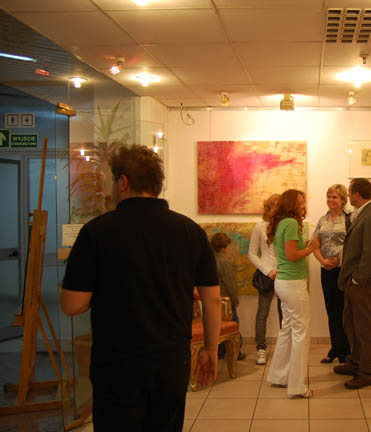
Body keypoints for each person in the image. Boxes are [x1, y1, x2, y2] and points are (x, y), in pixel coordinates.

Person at [60, 145, 221, 432]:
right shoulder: (191, 232)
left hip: (117, 364)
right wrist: (210, 348)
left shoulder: (96, 232)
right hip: (171, 361)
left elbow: (72, 304)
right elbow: (212, 300)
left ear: (123, 182)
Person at [265, 189, 319, 398]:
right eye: (300, 202)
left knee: (287, 329)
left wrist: (307, 246)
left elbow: (290, 252)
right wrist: (312, 248)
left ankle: (280, 376)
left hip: (285, 284)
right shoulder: (290, 223)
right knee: (300, 333)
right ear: (291, 205)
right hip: (293, 285)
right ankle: (297, 386)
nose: (304, 206)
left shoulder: (282, 223)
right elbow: (292, 255)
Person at [334, 178, 371, 389]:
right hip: (354, 281)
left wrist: (358, 278)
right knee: (351, 323)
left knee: (365, 328)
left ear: (357, 194)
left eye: (349, 192)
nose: (348, 196)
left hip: (364, 283)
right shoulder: (364, 213)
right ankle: (355, 363)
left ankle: (367, 372)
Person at [313, 184, 351, 364]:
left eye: (334, 197)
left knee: (344, 311)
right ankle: (335, 348)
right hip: (326, 271)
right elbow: (315, 244)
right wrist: (322, 261)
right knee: (332, 311)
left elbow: (353, 243)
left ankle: (346, 351)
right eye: (329, 196)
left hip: (343, 270)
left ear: (343, 200)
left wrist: (338, 259)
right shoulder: (323, 219)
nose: (330, 200)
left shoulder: (350, 218)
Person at [248, 193, 283, 366]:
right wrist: (268, 271)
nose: (278, 207)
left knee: (285, 314)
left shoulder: (286, 225)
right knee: (262, 313)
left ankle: (285, 349)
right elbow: (252, 254)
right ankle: (261, 349)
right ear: (268, 206)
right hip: (267, 276)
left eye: (280, 204)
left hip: (285, 275)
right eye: (275, 204)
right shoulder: (260, 227)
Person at [211, 232, 245, 360]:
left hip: (213, 300)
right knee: (233, 325)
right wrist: (235, 300)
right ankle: (236, 352)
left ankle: (219, 352)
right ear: (224, 248)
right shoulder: (225, 262)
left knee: (216, 326)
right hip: (225, 301)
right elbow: (230, 284)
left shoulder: (209, 260)